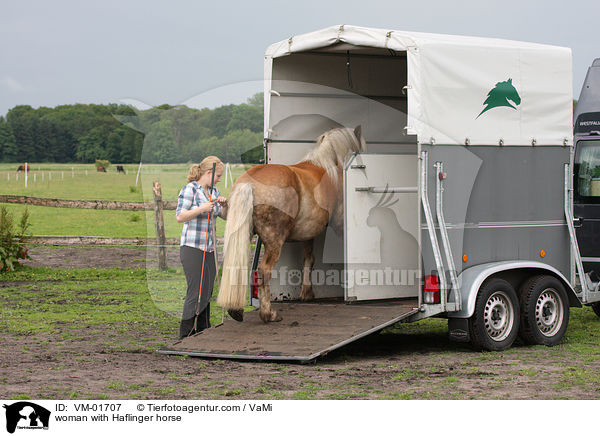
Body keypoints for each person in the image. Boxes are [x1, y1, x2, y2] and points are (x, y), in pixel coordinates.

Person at [176, 157, 228, 339]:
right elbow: (180, 216)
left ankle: (203, 330)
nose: (219, 179)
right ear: (208, 173)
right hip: (192, 248)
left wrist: (224, 204)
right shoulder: (190, 189)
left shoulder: (214, 191)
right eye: (218, 176)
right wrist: (202, 208)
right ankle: (186, 334)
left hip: (210, 249)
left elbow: (225, 216)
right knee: (195, 290)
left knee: (207, 291)